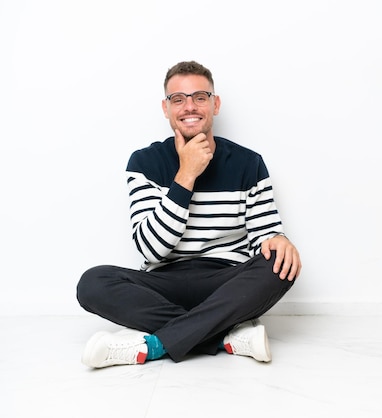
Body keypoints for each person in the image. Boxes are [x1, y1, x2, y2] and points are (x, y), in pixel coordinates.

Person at [76, 60, 301, 368]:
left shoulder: (249, 163)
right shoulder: (144, 162)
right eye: (178, 99)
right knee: (93, 283)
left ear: (215, 104)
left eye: (199, 97)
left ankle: (155, 345)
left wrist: (279, 239)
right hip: (163, 284)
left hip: (226, 283)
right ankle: (223, 336)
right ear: (166, 108)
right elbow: (151, 249)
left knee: (279, 263)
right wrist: (186, 175)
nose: (189, 107)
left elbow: (266, 236)